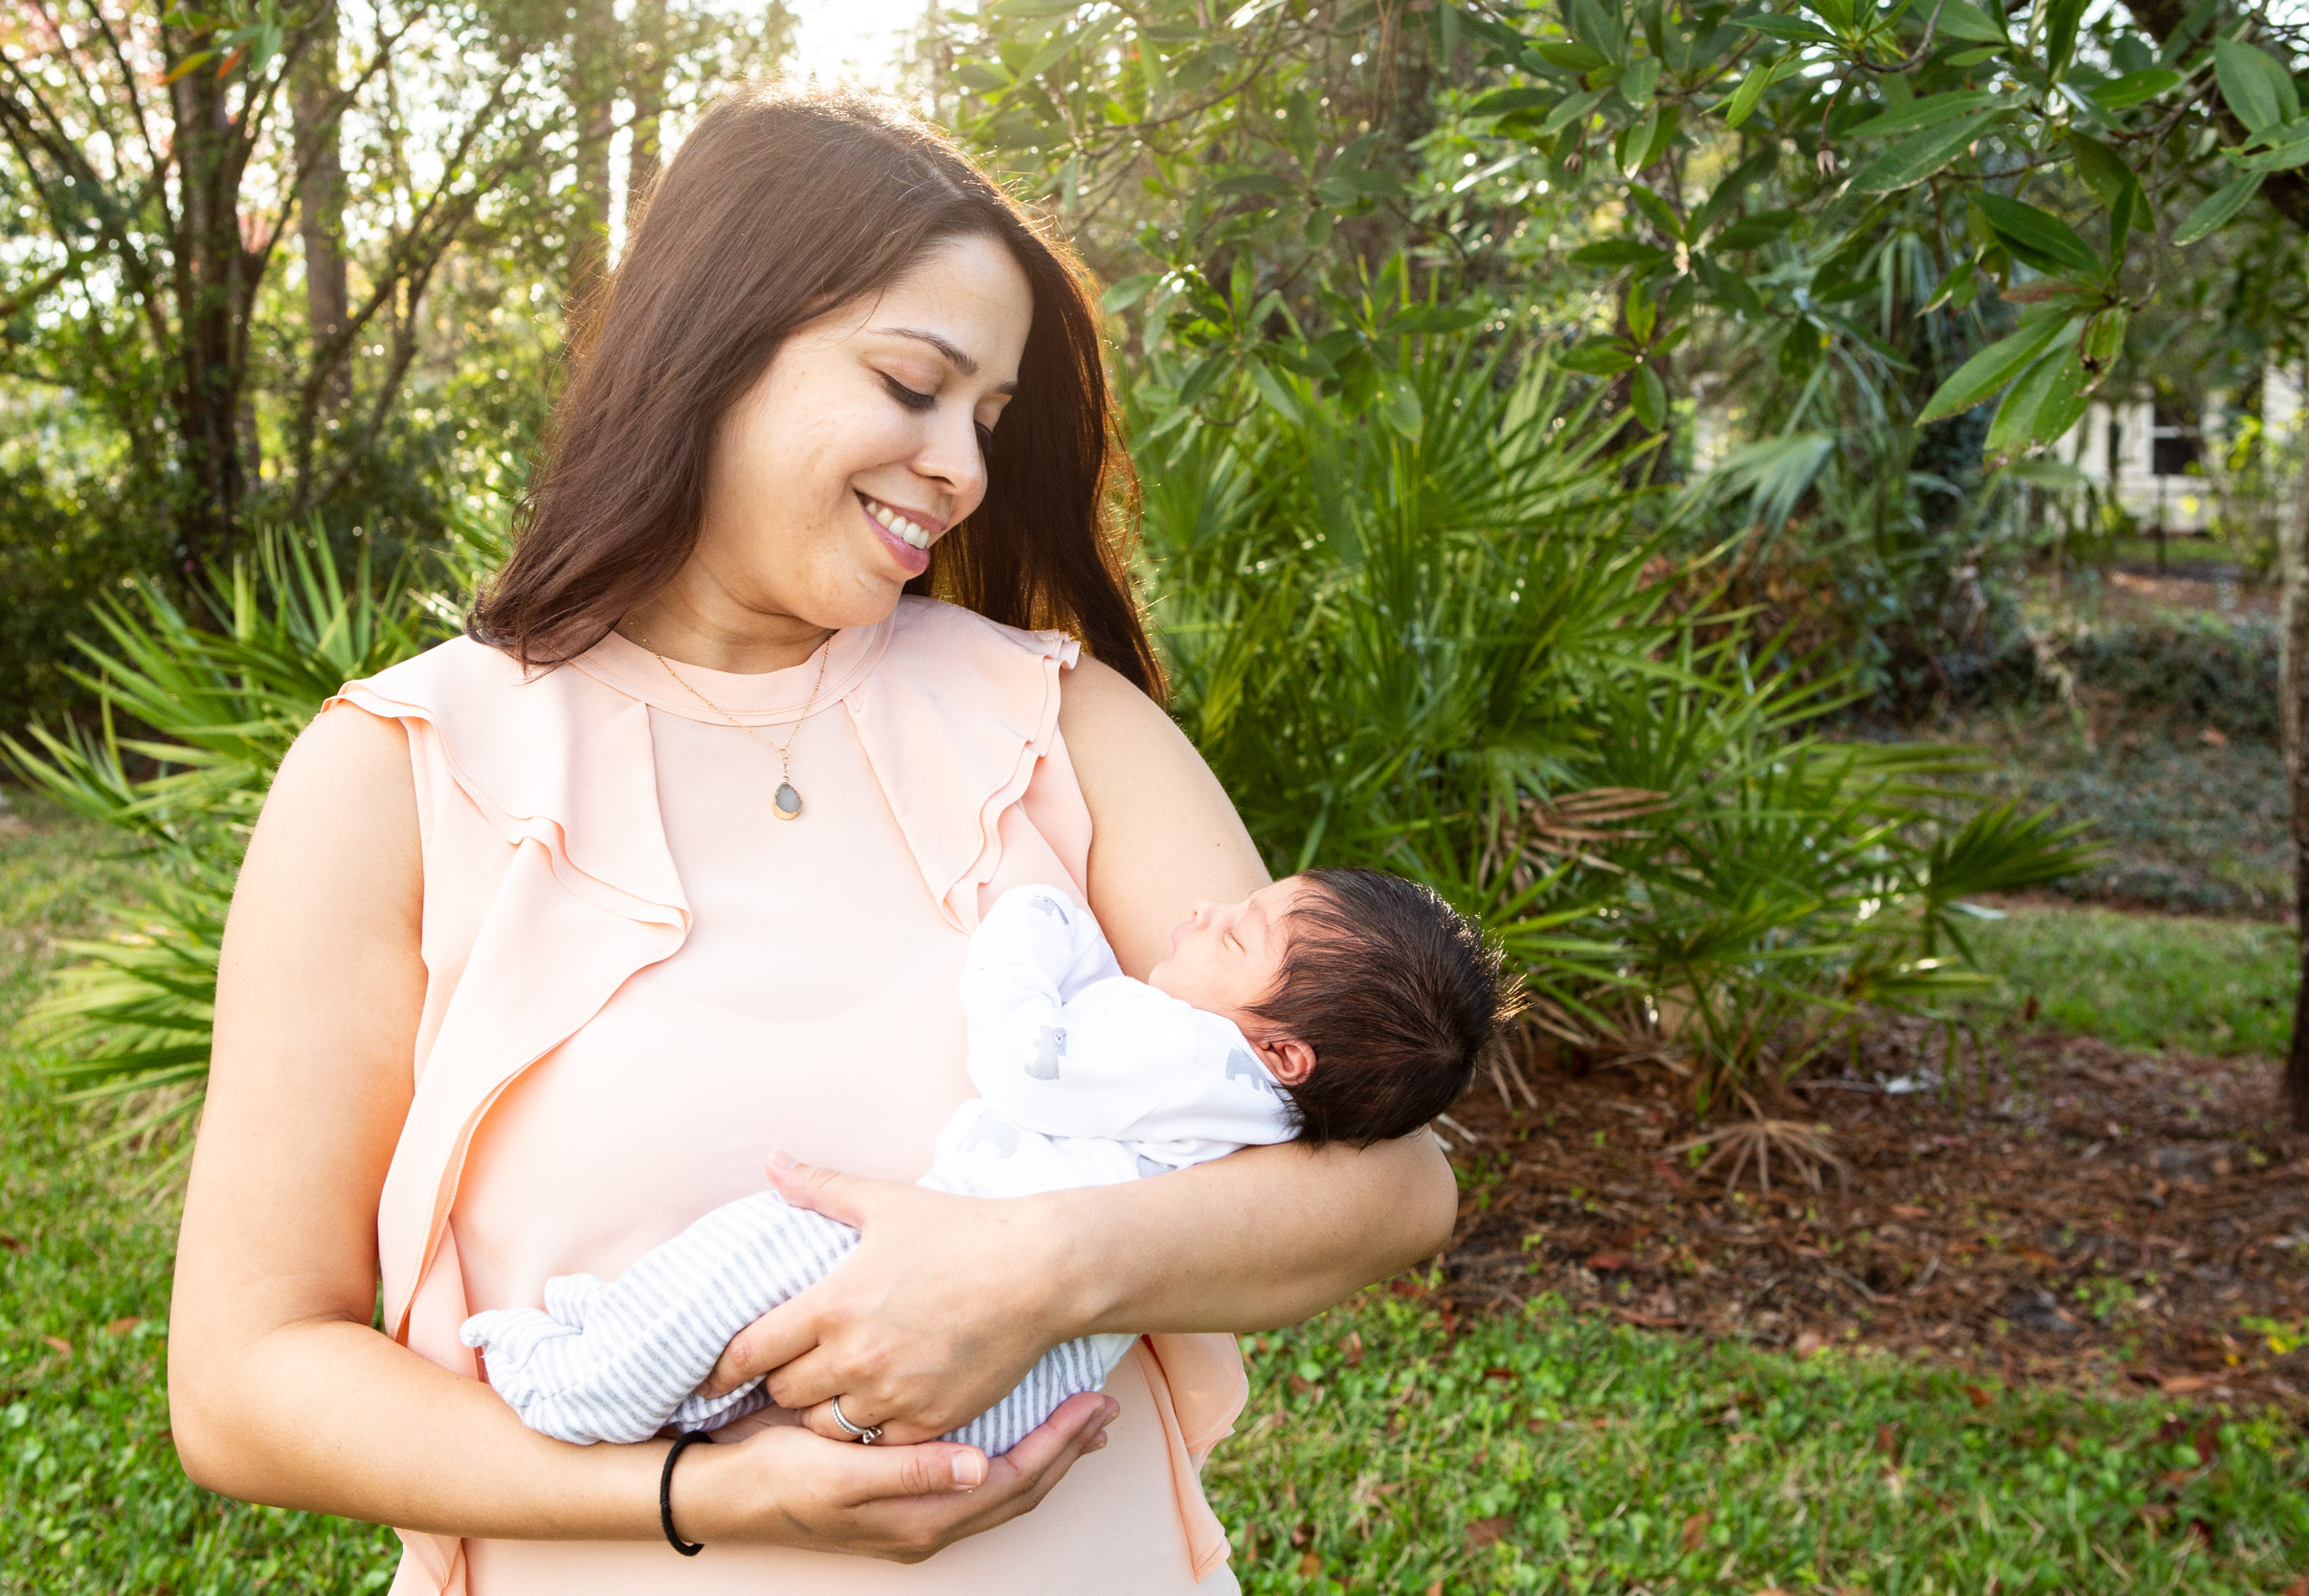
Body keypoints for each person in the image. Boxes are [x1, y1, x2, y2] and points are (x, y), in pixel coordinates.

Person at [165, 82, 1456, 1595]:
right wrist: (700, 1492)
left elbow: (1395, 1181)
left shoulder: (1063, 722)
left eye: (988, 418)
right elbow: (244, 1378)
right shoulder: (398, 771)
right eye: (913, 383)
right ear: (711, 343)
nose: (965, 467)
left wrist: (1038, 1269)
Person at [460, 871, 1513, 1454]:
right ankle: (668, 1388)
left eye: (1237, 934)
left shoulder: (1185, 1052)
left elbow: (1032, 1061)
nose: (1200, 907)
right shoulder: (1269, 1114)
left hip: (947, 1268)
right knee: (776, 1377)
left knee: (747, 1256)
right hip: (1038, 1382)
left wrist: (1032, 921)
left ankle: (584, 1382)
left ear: (1281, 1051)